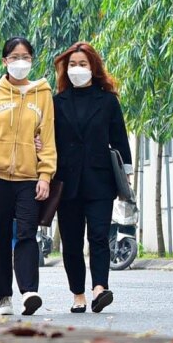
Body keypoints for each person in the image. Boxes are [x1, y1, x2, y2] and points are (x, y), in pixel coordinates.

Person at [0, 36, 57, 317]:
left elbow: (48, 138)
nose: (21, 62)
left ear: (32, 60)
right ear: (5, 61)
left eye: (26, 57)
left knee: (28, 234)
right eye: (15, 57)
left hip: (29, 178)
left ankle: (29, 291)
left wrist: (45, 175)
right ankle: (3, 296)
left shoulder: (42, 95)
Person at [51, 41, 132, 313]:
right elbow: (48, 139)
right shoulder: (57, 102)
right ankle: (78, 295)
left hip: (100, 181)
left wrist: (127, 178)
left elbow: (120, 140)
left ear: (93, 67)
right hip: (66, 182)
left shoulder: (107, 101)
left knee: (98, 236)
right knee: (72, 242)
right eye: (72, 64)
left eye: (83, 64)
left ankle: (100, 288)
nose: (77, 69)